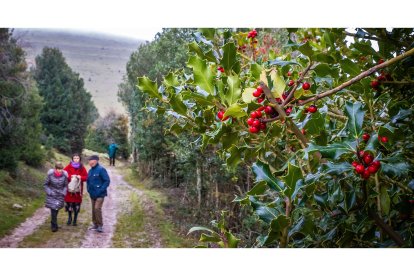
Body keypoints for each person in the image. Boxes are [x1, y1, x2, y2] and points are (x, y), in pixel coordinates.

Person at [86, 155, 110, 233]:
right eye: (89, 161)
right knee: (93, 209)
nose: (89, 162)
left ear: (96, 161)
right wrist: (88, 190)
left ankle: (100, 225)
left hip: (100, 194)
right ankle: (95, 224)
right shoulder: (90, 171)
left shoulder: (101, 169)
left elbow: (107, 181)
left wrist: (101, 190)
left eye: (91, 160)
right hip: (92, 193)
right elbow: (88, 182)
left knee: (97, 208)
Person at [63, 153, 88, 226]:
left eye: (77, 158)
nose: (76, 159)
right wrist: (71, 177)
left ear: (79, 159)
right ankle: (69, 218)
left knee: (76, 205)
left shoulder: (82, 167)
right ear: (72, 159)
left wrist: (80, 177)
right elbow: (64, 175)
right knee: (69, 204)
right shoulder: (68, 167)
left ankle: (75, 220)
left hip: (78, 190)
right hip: (69, 189)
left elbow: (86, 177)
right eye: (74, 158)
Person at [44, 162, 68, 232]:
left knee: (56, 209)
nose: (60, 171)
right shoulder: (50, 175)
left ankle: (53, 222)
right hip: (52, 194)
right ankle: (54, 225)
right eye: (58, 169)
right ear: (55, 169)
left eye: (61, 169)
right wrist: (49, 192)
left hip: (60, 195)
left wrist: (64, 192)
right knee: (53, 209)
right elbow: (45, 184)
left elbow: (66, 185)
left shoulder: (64, 176)